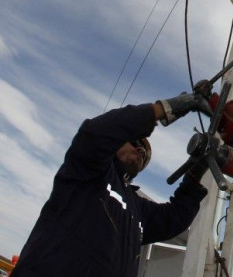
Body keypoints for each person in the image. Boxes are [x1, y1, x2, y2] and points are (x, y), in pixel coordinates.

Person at [12, 92, 214, 277]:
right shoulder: (88, 171)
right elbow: (96, 133)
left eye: (144, 154)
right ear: (114, 144)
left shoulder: (137, 210)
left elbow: (174, 218)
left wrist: (196, 174)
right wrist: (163, 109)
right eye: (134, 143)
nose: (139, 150)